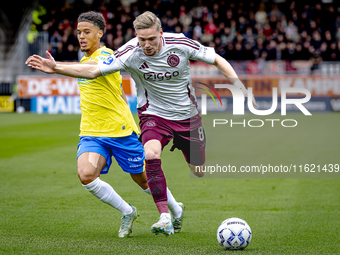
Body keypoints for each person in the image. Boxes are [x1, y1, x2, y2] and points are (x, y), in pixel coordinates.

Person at [26, 11, 256, 236]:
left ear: (161, 34)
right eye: (141, 39)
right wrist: (55, 67)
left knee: (198, 171)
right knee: (147, 155)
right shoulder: (129, 52)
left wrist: (238, 85)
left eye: (151, 39)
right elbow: (93, 70)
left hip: (182, 117)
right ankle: (162, 215)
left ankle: (175, 207)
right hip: (150, 117)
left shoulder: (179, 44)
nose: (146, 45)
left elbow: (216, 59)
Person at [26, 11, 183, 238]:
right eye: (79, 32)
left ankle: (177, 210)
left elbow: (91, 74)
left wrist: (56, 66)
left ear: (100, 33)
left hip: (120, 132)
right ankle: (128, 211)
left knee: (143, 180)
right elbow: (92, 75)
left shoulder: (107, 56)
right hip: (92, 133)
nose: (81, 36)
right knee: (86, 175)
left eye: (87, 32)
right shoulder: (83, 61)